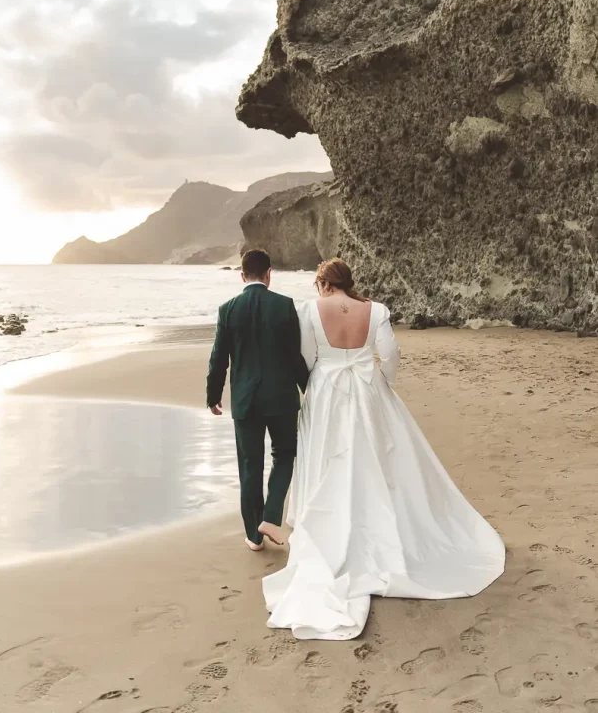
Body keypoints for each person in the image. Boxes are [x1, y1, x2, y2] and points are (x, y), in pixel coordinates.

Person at [263, 258, 505, 640]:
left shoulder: (309, 310)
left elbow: (307, 357)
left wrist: (320, 376)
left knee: (329, 459)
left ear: (324, 283)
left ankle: (330, 525)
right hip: (366, 389)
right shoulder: (374, 310)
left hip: (326, 392)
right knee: (375, 458)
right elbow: (390, 354)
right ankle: (376, 523)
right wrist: (384, 384)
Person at [206, 248, 310, 552]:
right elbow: (295, 357)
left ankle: (254, 536)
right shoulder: (284, 306)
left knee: (250, 466)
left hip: (245, 401)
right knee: (286, 455)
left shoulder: (227, 309)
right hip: (281, 398)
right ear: (268, 275)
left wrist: (213, 396)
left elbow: (218, 360)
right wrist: (310, 390)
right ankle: (271, 515)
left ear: (242, 276)